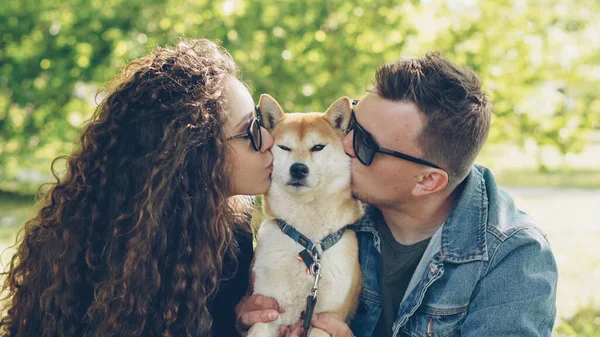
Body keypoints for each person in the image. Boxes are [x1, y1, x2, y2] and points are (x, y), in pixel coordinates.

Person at [237, 53, 558, 337]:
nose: (344, 145)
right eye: (352, 128)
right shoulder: (332, 210)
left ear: (427, 181)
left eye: (367, 144)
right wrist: (249, 319)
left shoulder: (515, 260)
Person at [0, 38, 274, 337]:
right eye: (250, 131)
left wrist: (238, 321)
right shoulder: (120, 247)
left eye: (261, 123)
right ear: (197, 154)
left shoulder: (232, 231)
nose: (269, 140)